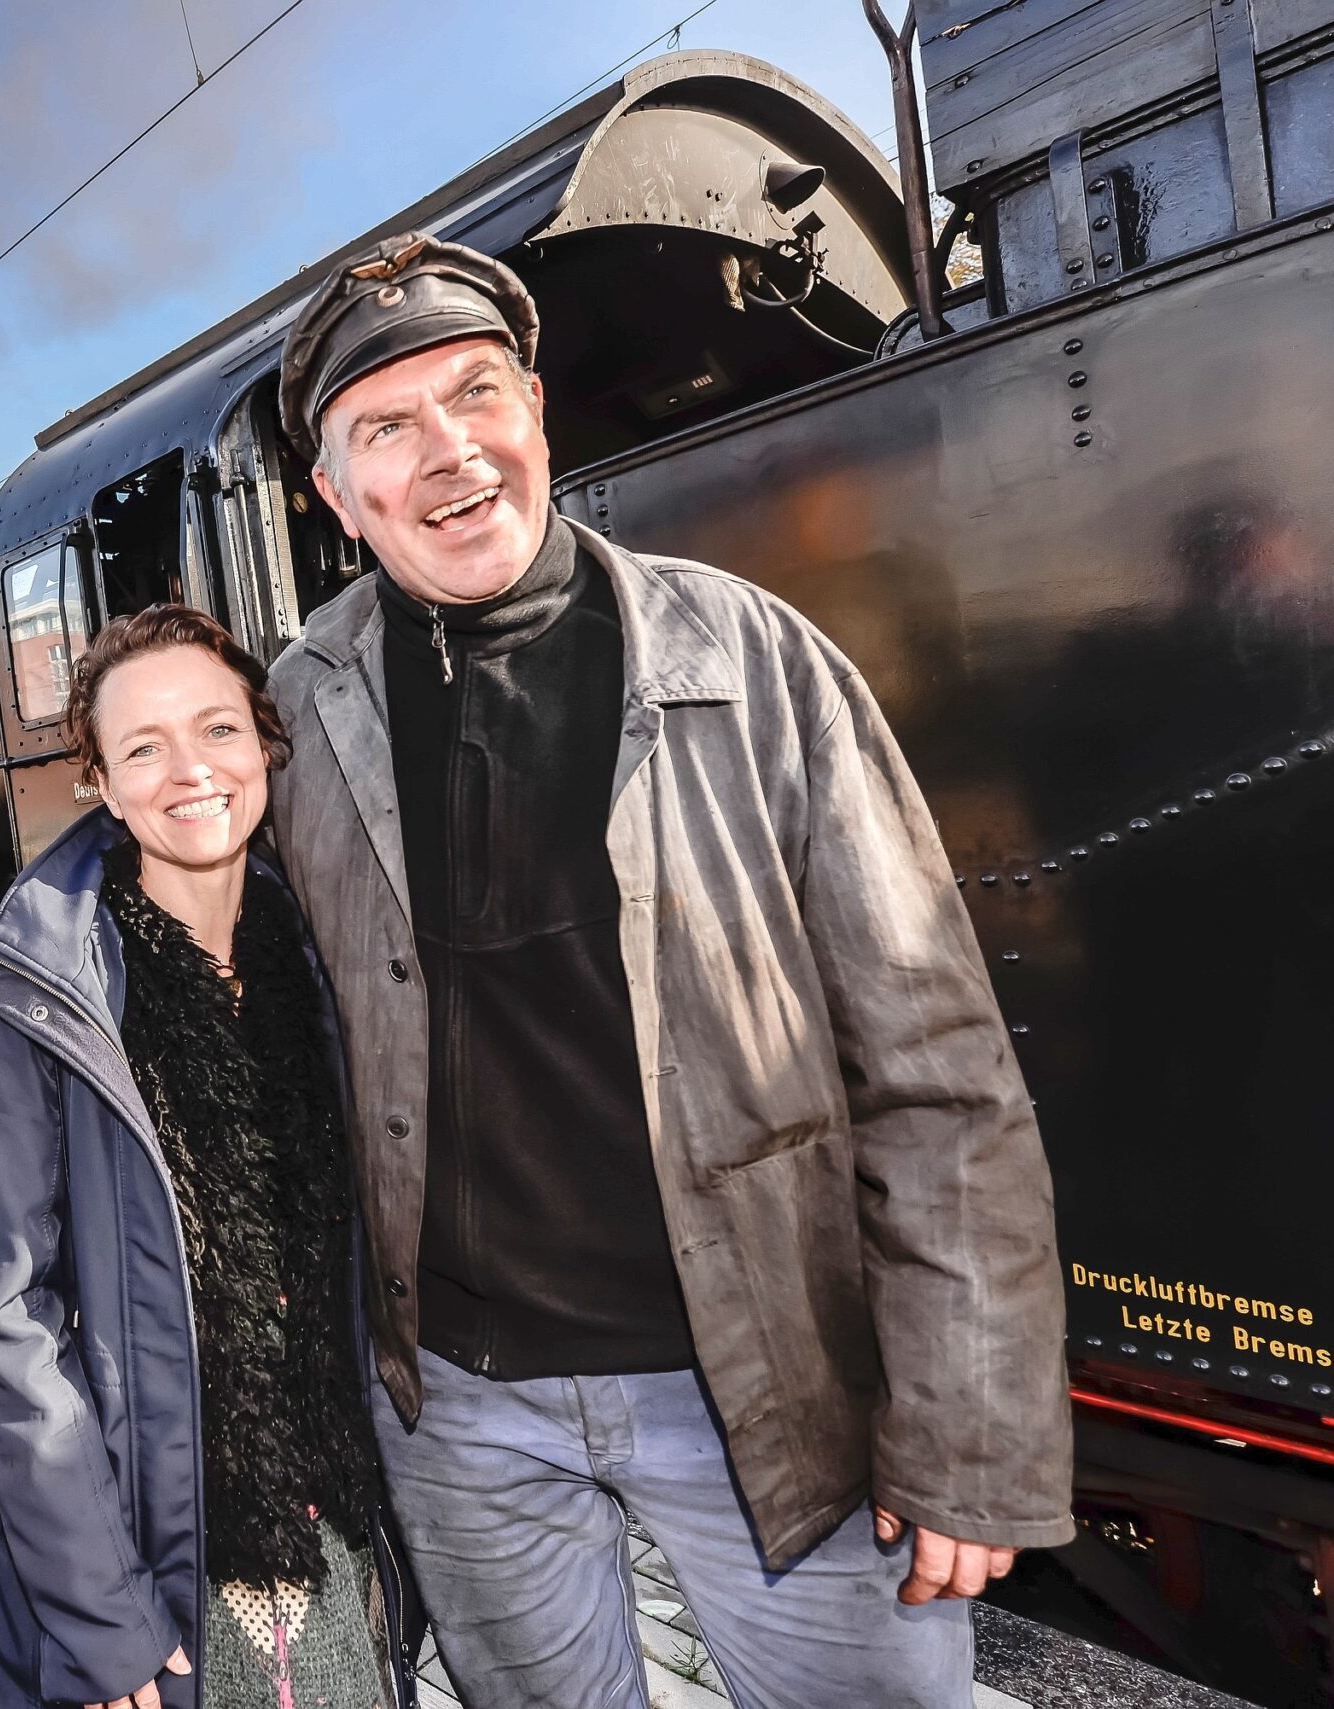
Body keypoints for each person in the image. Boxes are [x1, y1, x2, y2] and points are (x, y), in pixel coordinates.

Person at [264, 231, 1073, 1706]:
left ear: (538, 416)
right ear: (336, 495)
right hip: (458, 1408)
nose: (449, 452)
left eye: (477, 395)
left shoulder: (751, 656)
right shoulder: (295, 716)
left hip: (769, 1383)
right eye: (387, 426)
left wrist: (968, 1431)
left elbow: (939, 1065)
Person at [0, 607, 420, 1709]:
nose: (188, 771)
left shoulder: (316, 946)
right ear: (104, 784)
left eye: (217, 729)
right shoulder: (49, 993)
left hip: (337, 1520)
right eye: (143, 747)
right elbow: (11, 1322)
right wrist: (99, 1614)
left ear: (264, 745)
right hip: (159, 1543)